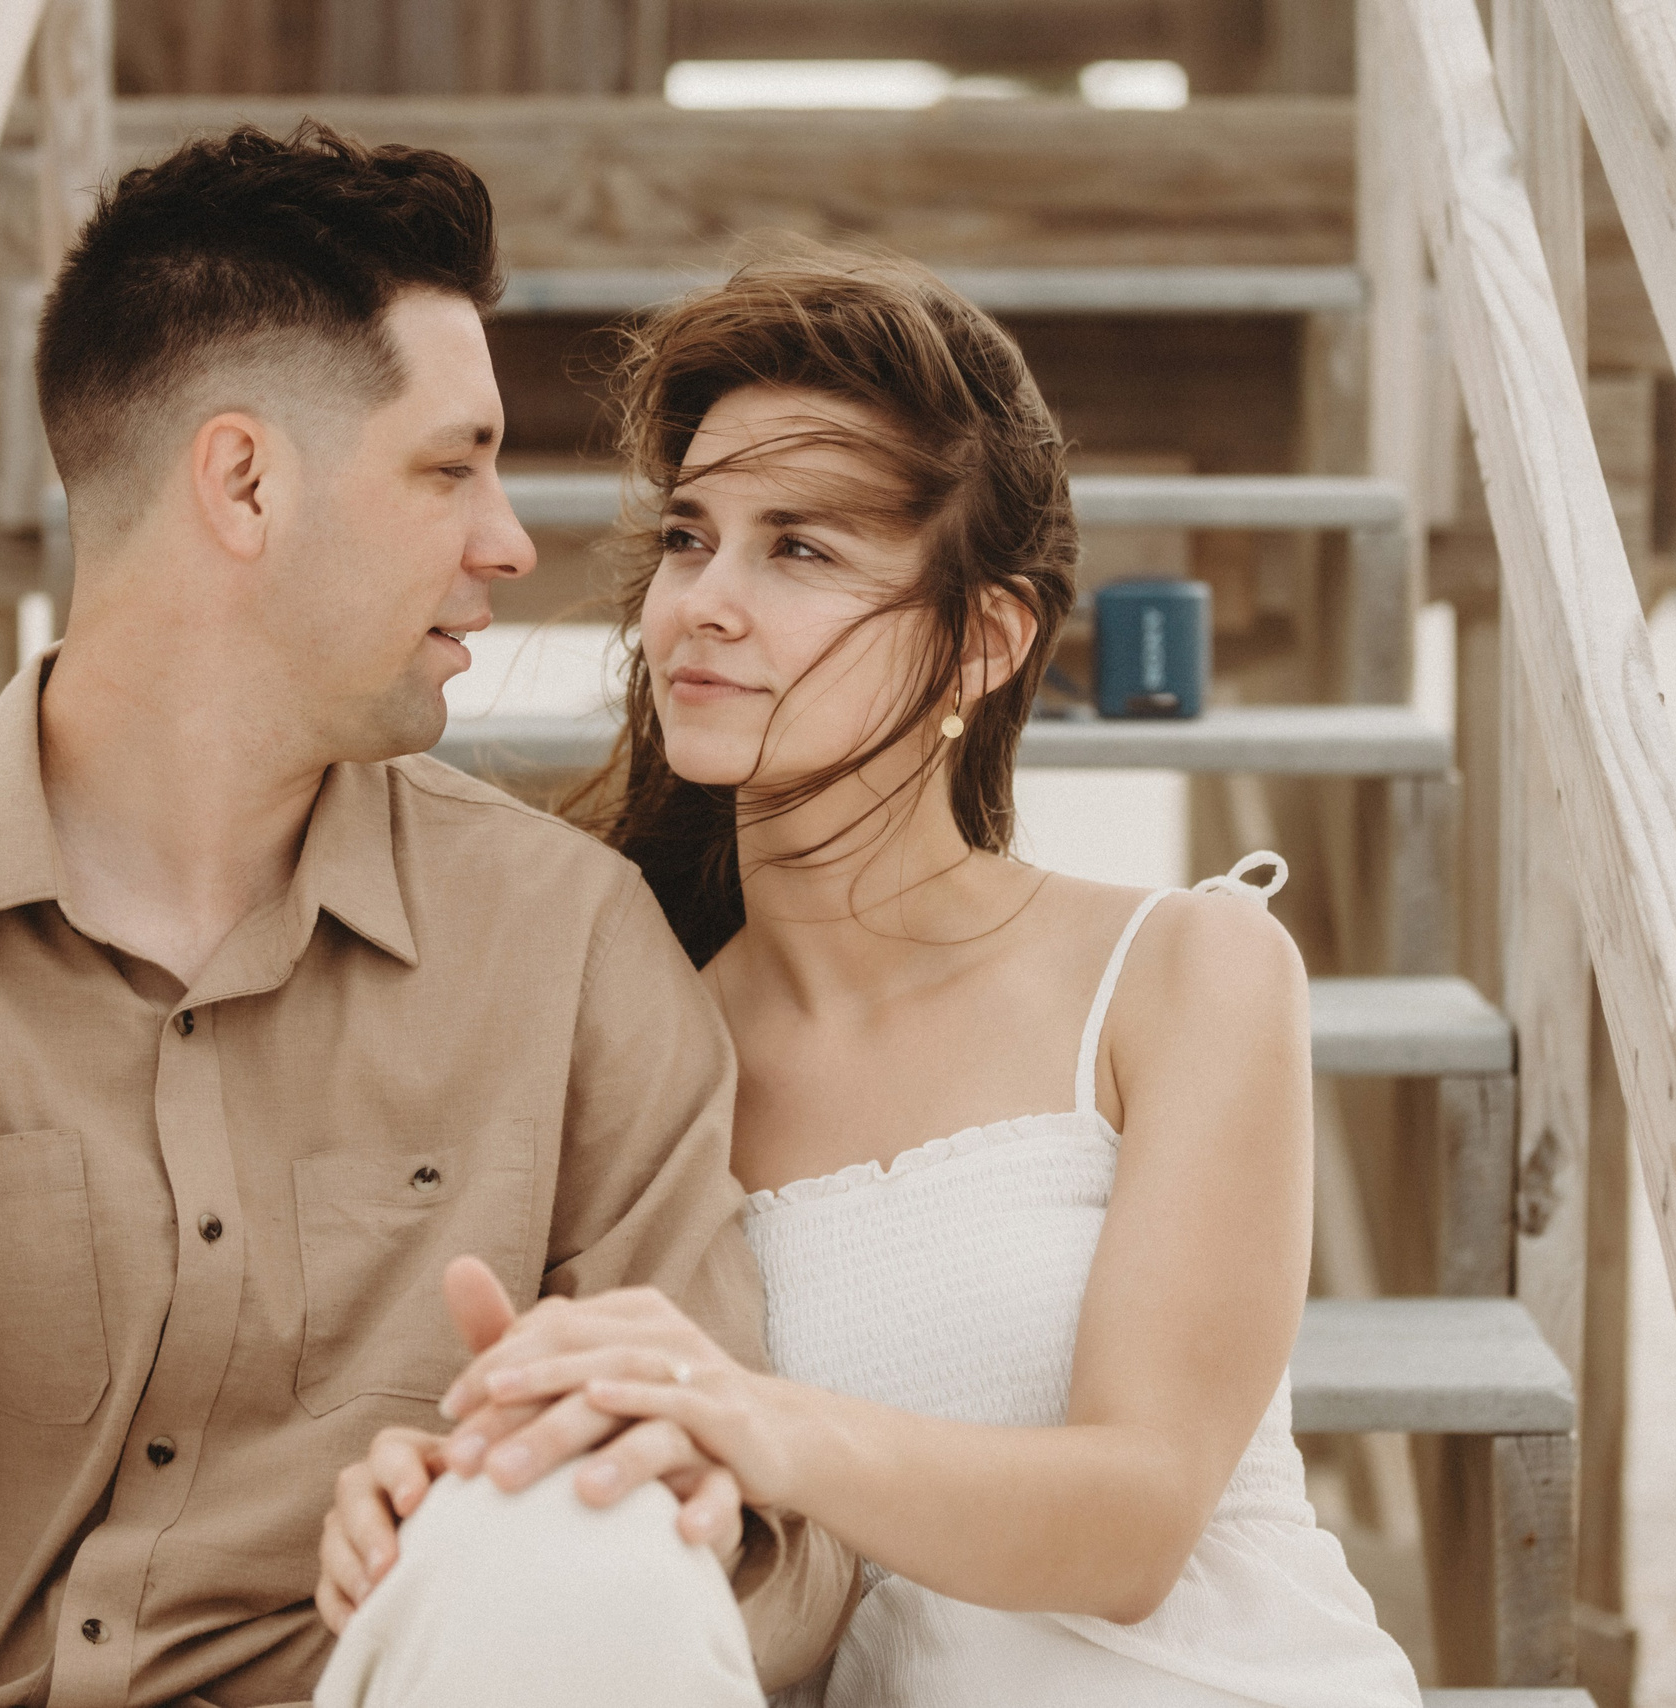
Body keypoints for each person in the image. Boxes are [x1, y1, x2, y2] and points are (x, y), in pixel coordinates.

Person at [0, 124, 852, 1708]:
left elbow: (753, 1538)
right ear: (243, 480)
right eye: (451, 467)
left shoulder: (568, 947)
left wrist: (559, 1524)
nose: (510, 540)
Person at [321, 247, 1424, 1707]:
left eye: (801, 550)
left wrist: (757, 1420)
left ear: (983, 639)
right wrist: (449, 1485)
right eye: (689, 536)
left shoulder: (1184, 973)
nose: (703, 602)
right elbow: (621, 1469)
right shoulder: (624, 1037)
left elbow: (1142, 1517)